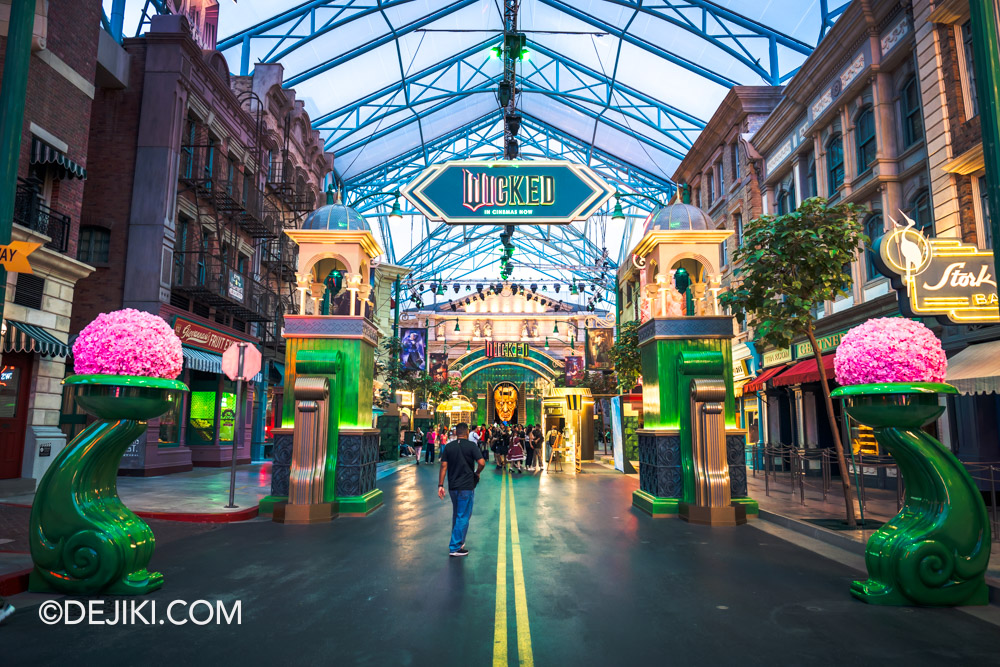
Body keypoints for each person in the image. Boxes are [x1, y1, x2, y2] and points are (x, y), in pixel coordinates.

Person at [438, 423, 486, 557]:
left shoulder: (449, 447)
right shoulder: (471, 446)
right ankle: (455, 546)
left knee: (457, 514)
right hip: (466, 485)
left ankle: (459, 541)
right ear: (466, 433)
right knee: (464, 515)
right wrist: (477, 472)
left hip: (453, 486)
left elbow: (443, 466)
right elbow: (482, 463)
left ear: (455, 432)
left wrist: (440, 485)